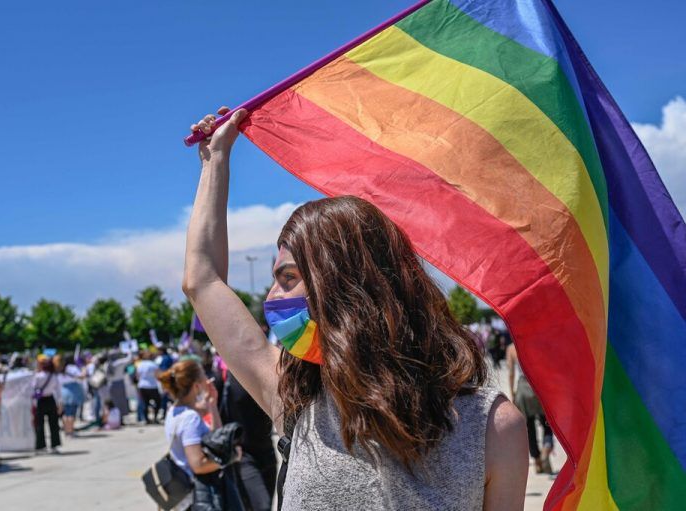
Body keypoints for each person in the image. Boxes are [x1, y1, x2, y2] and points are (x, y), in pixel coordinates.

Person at [182, 109, 528, 510]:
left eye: (289, 278)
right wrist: (215, 159)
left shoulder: (492, 427)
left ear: (347, 287)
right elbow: (202, 281)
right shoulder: (295, 400)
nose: (272, 297)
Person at [158, 359, 226, 508]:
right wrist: (228, 459)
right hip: (197, 496)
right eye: (204, 377)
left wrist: (212, 404)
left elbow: (216, 438)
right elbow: (198, 464)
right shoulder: (190, 418)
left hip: (183, 496)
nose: (207, 380)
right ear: (196, 386)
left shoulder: (174, 411)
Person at [219, 370, 276, 511]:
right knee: (262, 506)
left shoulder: (267, 372)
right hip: (242, 455)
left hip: (267, 452)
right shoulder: (223, 378)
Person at [506, 342, 554, 474]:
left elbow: (511, 373)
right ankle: (546, 448)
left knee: (529, 427)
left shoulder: (511, 348)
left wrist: (513, 393)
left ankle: (537, 461)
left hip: (523, 388)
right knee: (547, 424)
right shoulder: (538, 343)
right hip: (540, 387)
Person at [32, 357, 62, 453]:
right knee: (53, 424)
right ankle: (54, 445)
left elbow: (33, 388)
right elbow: (58, 391)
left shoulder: (38, 376)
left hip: (40, 401)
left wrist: (33, 402)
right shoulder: (54, 376)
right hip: (50, 399)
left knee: (39, 424)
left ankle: (40, 446)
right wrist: (59, 403)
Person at [59, 354, 85, 437]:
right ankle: (70, 431)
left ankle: (66, 430)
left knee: (66, 412)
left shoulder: (61, 369)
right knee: (72, 412)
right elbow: (81, 376)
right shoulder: (72, 368)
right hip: (72, 391)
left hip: (63, 390)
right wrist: (84, 369)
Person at [135, 351, 161, 425]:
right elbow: (158, 375)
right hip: (152, 385)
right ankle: (155, 417)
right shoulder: (154, 365)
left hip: (142, 385)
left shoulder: (140, 365)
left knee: (145, 403)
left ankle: (146, 419)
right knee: (158, 402)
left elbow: (137, 376)